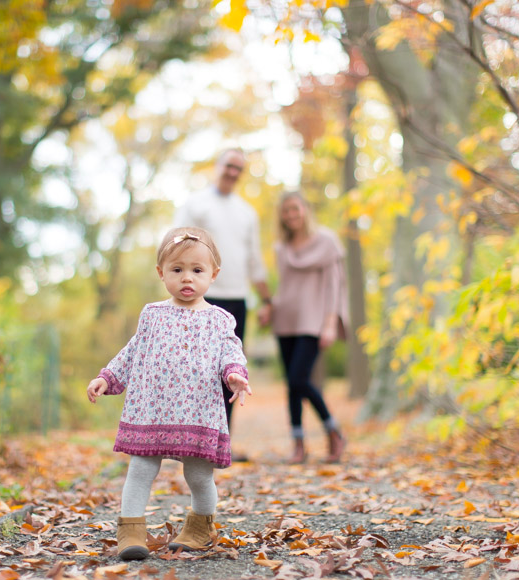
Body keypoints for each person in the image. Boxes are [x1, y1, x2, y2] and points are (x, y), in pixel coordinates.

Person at [86, 226, 253, 561]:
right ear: (162, 273)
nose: (186, 278)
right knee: (141, 469)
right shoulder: (152, 314)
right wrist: (108, 376)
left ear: (213, 275)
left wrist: (234, 374)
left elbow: (230, 351)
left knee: (197, 475)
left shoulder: (220, 320)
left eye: (196, 270)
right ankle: (130, 529)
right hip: (152, 411)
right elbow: (133, 351)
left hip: (197, 412)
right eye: (177, 270)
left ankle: (200, 526)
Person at [173, 148, 271, 447]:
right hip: (200, 298)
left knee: (230, 371)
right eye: (229, 165)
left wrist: (266, 299)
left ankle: (219, 441)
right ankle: (188, 439)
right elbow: (175, 241)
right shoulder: (196, 204)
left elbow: (254, 258)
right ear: (217, 166)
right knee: (196, 370)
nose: (232, 172)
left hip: (237, 299)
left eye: (238, 168)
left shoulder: (247, 212)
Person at [266, 192, 347, 464]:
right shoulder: (282, 248)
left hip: (314, 321)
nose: (291, 215)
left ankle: (333, 430)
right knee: (292, 385)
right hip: (286, 320)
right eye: (285, 211)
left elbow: (333, 286)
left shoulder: (327, 241)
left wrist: (330, 324)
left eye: (295, 209)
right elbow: (286, 288)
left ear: (305, 209)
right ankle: (299, 445)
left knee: (299, 379)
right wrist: (271, 307)